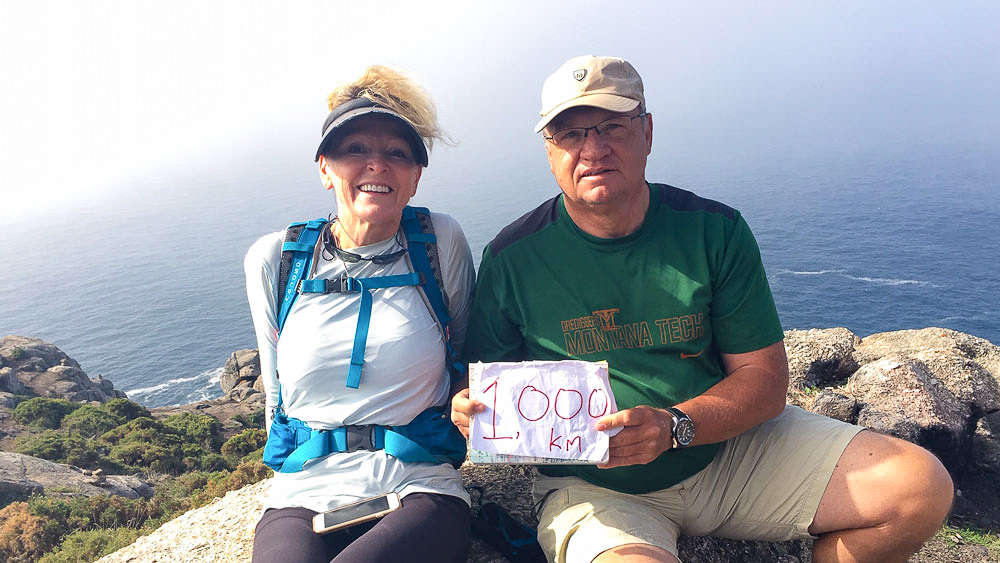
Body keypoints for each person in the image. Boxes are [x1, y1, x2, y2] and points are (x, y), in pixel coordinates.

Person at [451, 55, 954, 563]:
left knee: (919, 488)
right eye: (570, 134)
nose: (593, 149)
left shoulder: (714, 231)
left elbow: (764, 379)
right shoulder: (512, 259)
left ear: (647, 131)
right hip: (598, 489)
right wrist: (473, 411)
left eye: (611, 127)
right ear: (549, 150)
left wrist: (673, 426)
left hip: (733, 452)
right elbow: (485, 388)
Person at [245, 65, 474, 563]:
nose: (378, 164)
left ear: (415, 177)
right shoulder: (275, 259)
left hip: (420, 482)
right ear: (325, 168)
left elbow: (463, 357)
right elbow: (275, 392)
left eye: (397, 153)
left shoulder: (438, 242)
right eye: (356, 150)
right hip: (302, 491)